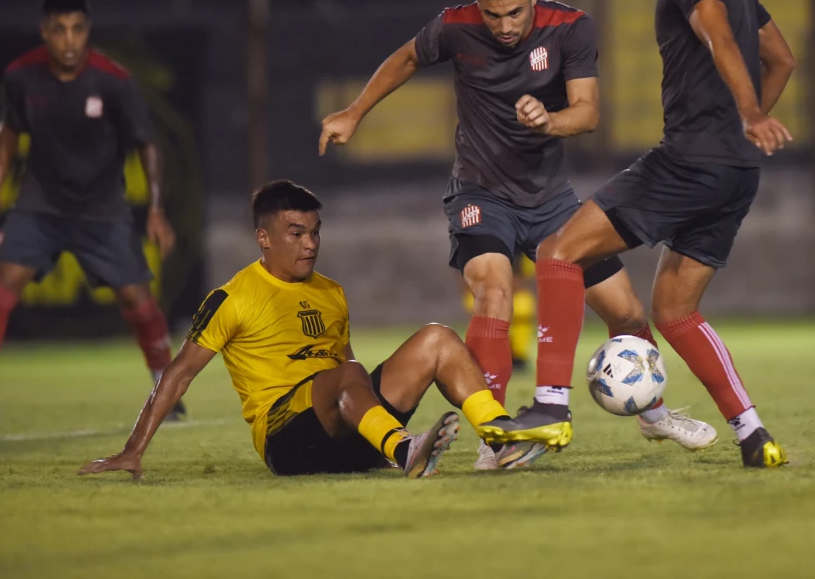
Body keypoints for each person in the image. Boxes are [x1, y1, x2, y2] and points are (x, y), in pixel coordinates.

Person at [320, 0, 717, 470]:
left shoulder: (571, 28)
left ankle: (652, 413)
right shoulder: (455, 27)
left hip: (551, 201)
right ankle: (497, 437)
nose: (504, 26)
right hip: (480, 195)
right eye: (492, 14)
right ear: (476, 5)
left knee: (626, 312)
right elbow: (409, 57)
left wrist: (549, 120)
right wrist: (354, 112)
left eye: (514, 12)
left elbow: (589, 114)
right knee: (494, 291)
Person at [482, 0, 797, 468]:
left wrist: (748, 113)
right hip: (736, 171)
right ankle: (755, 436)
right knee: (675, 312)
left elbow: (716, 34)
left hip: (688, 160)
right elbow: (782, 57)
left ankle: (550, 406)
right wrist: (743, 128)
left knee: (556, 252)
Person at [80, 180, 556, 479]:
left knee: (438, 338)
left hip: (348, 426)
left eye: (315, 232)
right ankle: (403, 448)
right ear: (263, 238)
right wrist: (132, 449)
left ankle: (499, 437)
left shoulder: (329, 291)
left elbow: (346, 367)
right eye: (296, 234)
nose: (310, 244)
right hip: (288, 442)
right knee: (344, 375)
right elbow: (179, 373)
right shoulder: (233, 296)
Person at [0, 0, 180, 429]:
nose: (69, 40)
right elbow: (8, 130)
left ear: (87, 32)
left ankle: (167, 391)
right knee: (1, 283)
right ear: (45, 32)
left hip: (103, 211)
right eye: (59, 30)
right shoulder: (22, 77)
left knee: (138, 301)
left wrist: (155, 208)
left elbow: (147, 143)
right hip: (40, 206)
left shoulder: (113, 80)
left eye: (77, 29)